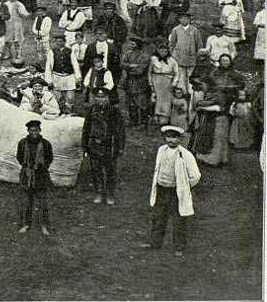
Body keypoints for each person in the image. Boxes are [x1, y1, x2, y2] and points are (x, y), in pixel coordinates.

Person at [140, 125, 201, 257]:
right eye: (168, 137)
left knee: (178, 220)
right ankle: (155, 242)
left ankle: (179, 246)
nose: (171, 140)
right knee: (159, 217)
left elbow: (196, 176)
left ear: (179, 139)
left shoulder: (186, 155)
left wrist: (184, 186)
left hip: (175, 192)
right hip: (162, 189)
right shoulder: (161, 150)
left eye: (174, 137)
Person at [81, 88, 125, 205]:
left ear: (108, 98)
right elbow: (86, 129)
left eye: (104, 97)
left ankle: (110, 194)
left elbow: (120, 130)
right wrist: (85, 146)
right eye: (99, 97)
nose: (101, 100)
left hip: (109, 145)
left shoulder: (114, 112)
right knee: (96, 170)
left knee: (110, 170)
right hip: (95, 144)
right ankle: (99, 192)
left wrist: (120, 147)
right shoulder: (91, 111)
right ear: (95, 98)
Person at [15, 119, 53, 235]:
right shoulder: (22, 143)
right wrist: (27, 168)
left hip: (41, 175)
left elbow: (49, 158)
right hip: (27, 176)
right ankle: (26, 224)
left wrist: (41, 167)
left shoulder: (46, 144)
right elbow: (19, 157)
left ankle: (44, 225)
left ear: (40, 130)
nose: (34, 133)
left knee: (42, 202)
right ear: (28, 131)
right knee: (26, 202)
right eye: (32, 131)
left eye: (36, 130)